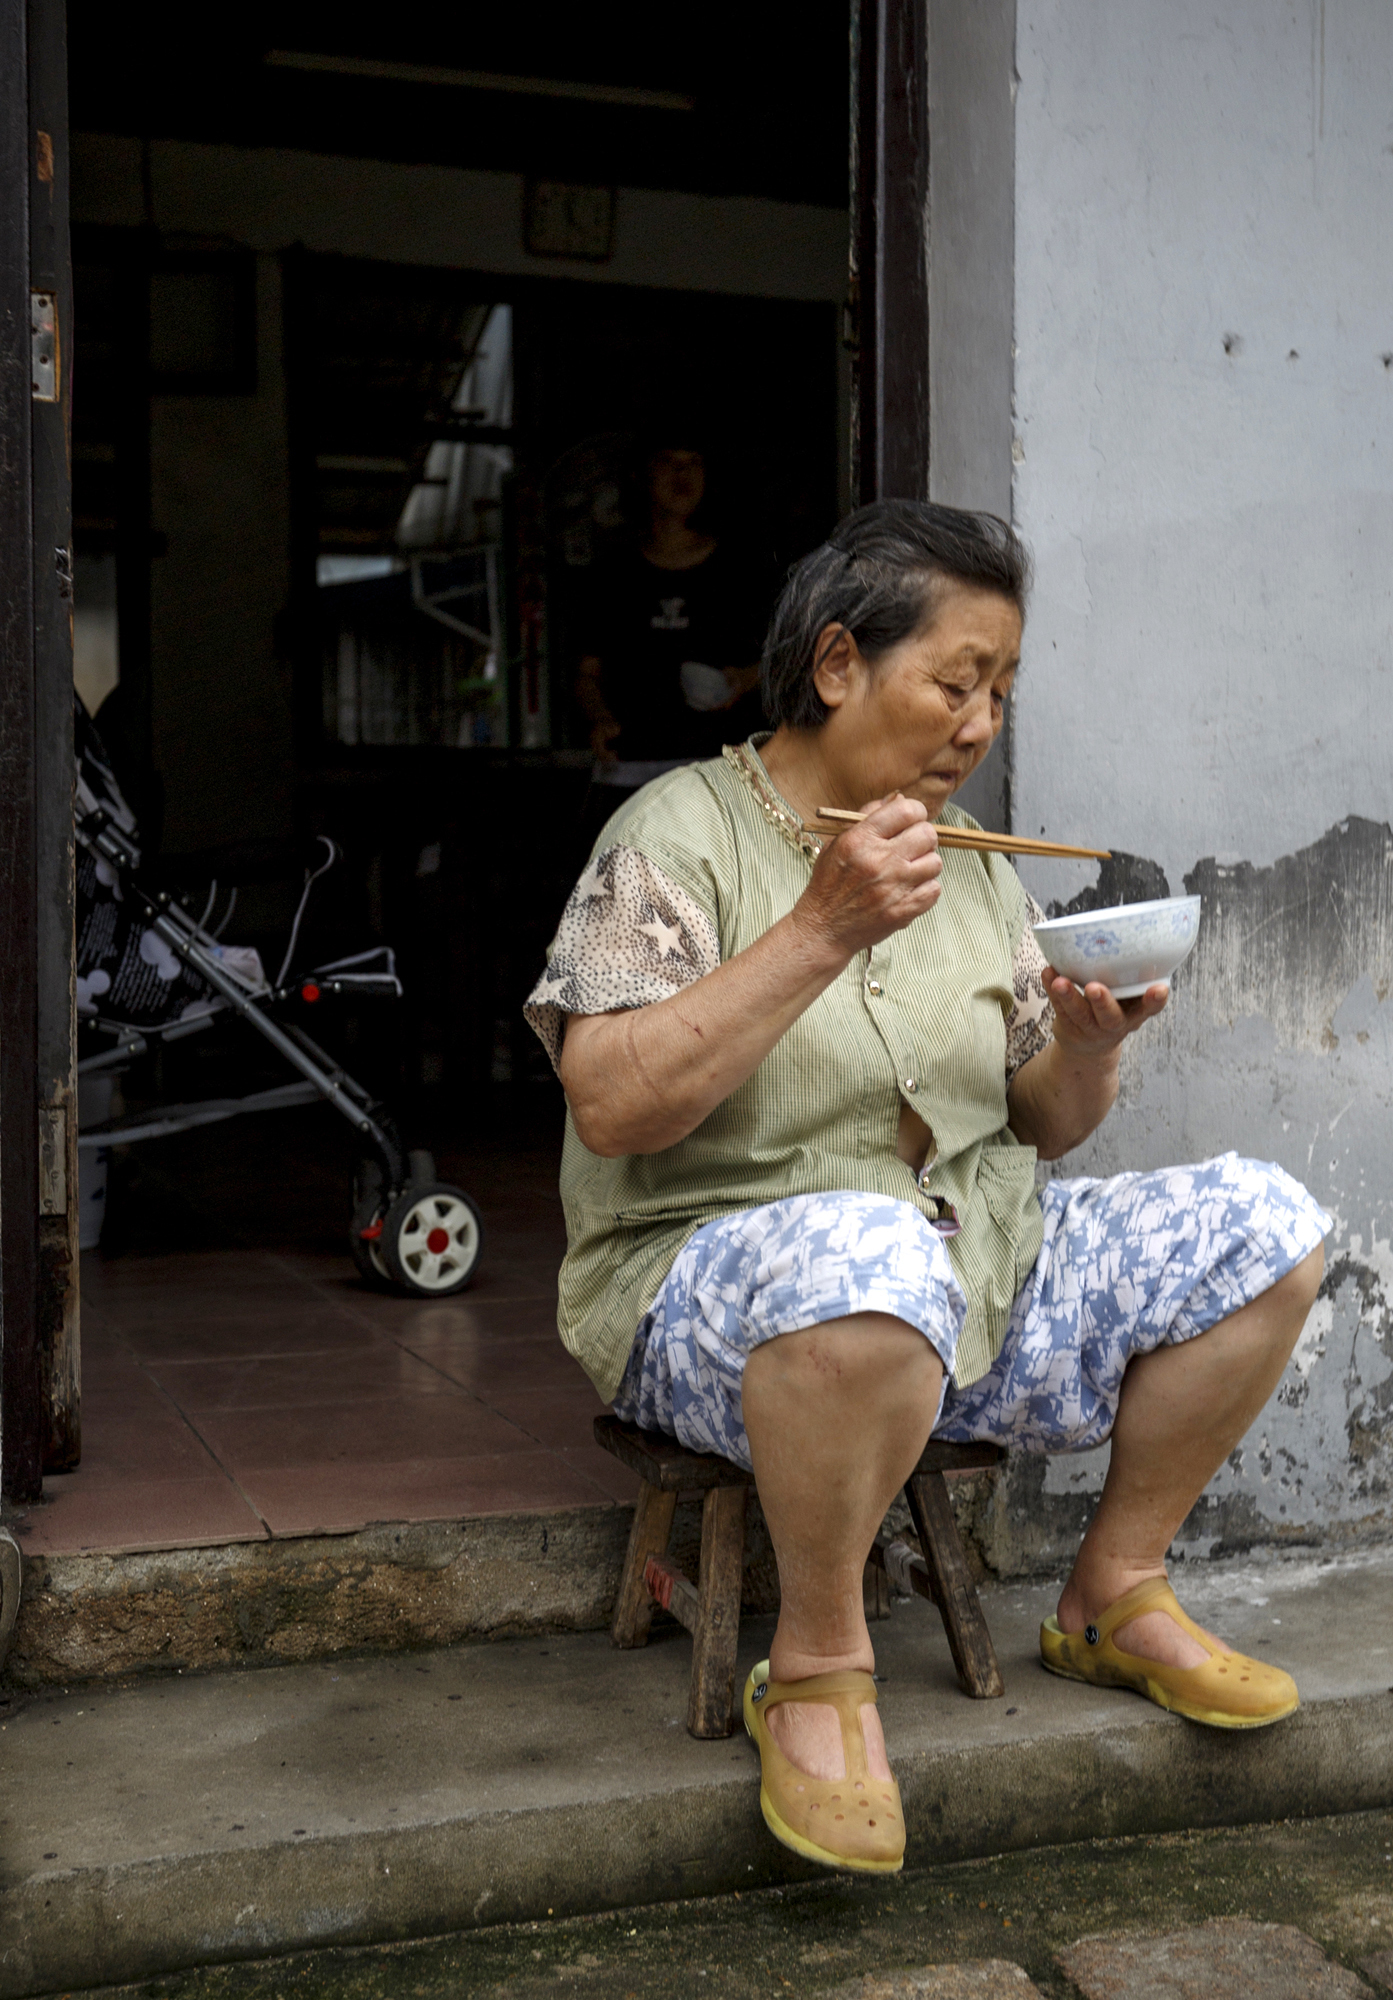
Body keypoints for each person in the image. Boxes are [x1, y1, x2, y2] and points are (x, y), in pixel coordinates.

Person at [526, 500, 1328, 1876]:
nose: (979, 723)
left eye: (1001, 692)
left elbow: (1044, 1126)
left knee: (1269, 1226)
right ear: (838, 665)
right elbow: (613, 1102)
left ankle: (1113, 1590)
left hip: (963, 1273)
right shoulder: (672, 835)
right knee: (865, 1255)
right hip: (717, 1297)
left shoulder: (968, 868)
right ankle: (823, 1666)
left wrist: (1085, 1047)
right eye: (954, 682)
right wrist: (821, 925)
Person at [573, 439, 766, 788]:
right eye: (668, 461)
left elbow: (787, 658)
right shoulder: (612, 574)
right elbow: (587, 673)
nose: (682, 473)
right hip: (630, 771)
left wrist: (747, 677)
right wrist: (600, 718)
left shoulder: (741, 568)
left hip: (723, 772)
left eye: (694, 461)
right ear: (640, 475)